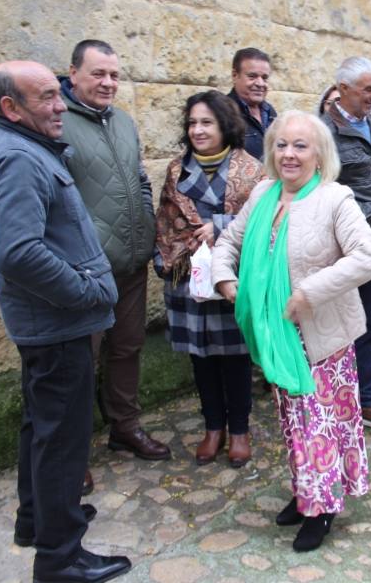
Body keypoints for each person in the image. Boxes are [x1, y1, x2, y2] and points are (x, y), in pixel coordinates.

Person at [0, 61, 130, 582]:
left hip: (46, 322)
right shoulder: (18, 157)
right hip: (58, 323)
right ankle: (60, 559)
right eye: (46, 98)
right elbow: (17, 253)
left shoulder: (17, 146)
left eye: (58, 95)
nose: (61, 105)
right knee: (62, 439)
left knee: (42, 426)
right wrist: (86, 292)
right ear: (11, 108)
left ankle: (37, 520)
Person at [213, 110, 371, 551]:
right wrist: (225, 278)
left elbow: (368, 257)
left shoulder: (334, 198)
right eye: (281, 145)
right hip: (276, 334)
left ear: (320, 154)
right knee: (294, 421)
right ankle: (306, 492)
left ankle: (322, 509)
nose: (289, 154)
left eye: (300, 146)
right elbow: (230, 240)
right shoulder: (265, 193)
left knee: (319, 425)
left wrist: (309, 291)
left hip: (321, 334)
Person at [59, 40, 171, 479]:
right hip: (85, 271)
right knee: (81, 360)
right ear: (73, 74)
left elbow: (140, 179)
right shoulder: (58, 122)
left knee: (127, 347)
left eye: (114, 75)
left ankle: (125, 426)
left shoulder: (123, 122)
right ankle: (74, 453)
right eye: (97, 74)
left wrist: (144, 222)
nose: (108, 83)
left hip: (130, 262)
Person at [154, 91, 264, 467]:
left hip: (231, 274)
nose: (198, 130)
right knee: (201, 358)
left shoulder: (252, 169)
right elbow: (166, 218)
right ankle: (212, 427)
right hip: (188, 275)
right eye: (192, 123)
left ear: (225, 126)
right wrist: (169, 254)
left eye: (207, 123)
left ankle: (239, 430)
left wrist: (220, 227)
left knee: (234, 357)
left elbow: (266, 221)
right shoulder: (176, 169)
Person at [320, 56, 371, 434]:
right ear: (342, 89)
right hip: (344, 250)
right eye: (368, 89)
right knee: (337, 330)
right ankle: (333, 404)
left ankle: (364, 402)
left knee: (370, 325)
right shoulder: (324, 133)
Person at [228, 47, 277, 160]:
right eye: (252, 76)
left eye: (264, 78)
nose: (260, 83)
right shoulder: (222, 113)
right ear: (235, 75)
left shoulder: (270, 112)